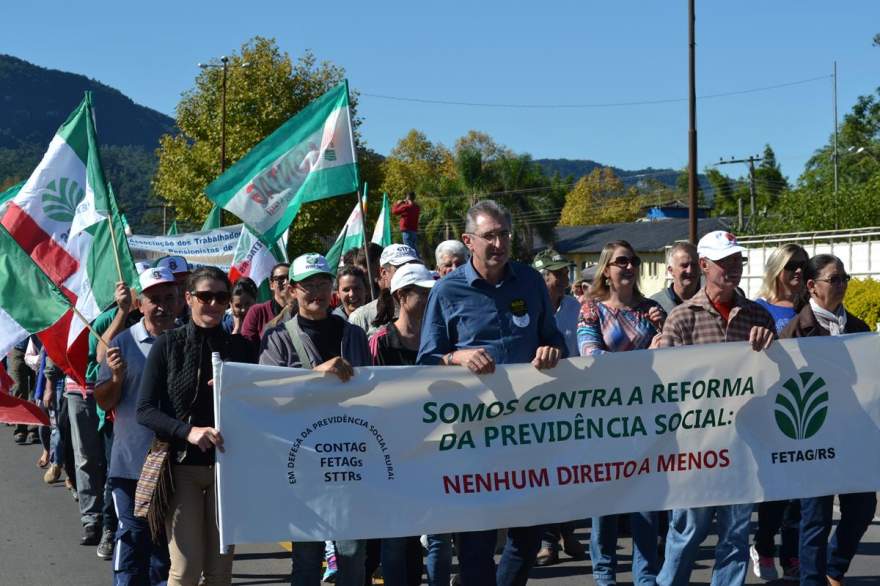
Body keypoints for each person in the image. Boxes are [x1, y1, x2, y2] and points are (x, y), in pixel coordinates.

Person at [418, 199, 566, 586]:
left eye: (504, 234)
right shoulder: (447, 292)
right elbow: (425, 364)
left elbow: (554, 340)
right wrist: (457, 357)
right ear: (469, 241)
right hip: (474, 441)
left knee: (528, 534)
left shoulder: (531, 282)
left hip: (527, 434)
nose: (499, 243)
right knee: (476, 544)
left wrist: (552, 351)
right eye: (489, 236)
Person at [656, 230, 775, 586]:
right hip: (696, 447)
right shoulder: (682, 317)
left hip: (743, 447)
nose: (732, 268)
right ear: (705, 265)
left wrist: (770, 348)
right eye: (724, 262)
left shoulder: (758, 316)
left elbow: (775, 380)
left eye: (736, 260)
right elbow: (667, 386)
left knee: (736, 537)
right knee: (687, 531)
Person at [137, 266, 255, 586]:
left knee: (219, 573)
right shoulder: (167, 345)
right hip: (181, 468)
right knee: (185, 570)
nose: (214, 304)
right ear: (188, 299)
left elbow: (263, 403)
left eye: (221, 297)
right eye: (205, 296)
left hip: (227, 471)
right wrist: (188, 431)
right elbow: (144, 410)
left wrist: (238, 391)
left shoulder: (242, 348)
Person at [259, 253, 370, 586]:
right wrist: (315, 375)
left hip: (350, 459)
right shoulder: (276, 338)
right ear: (293, 290)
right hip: (301, 463)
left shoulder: (354, 335)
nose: (317, 291)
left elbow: (372, 391)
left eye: (323, 282)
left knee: (352, 558)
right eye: (308, 285)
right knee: (306, 560)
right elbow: (268, 395)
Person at [780, 254, 876, 586]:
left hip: (853, 435)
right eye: (834, 279)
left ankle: (834, 569)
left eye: (844, 278)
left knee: (863, 507)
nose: (843, 284)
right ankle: (811, 580)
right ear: (811, 286)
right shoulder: (794, 332)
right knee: (815, 518)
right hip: (814, 434)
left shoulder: (859, 328)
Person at [578, 240, 665, 586]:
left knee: (647, 498)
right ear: (606, 270)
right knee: (606, 499)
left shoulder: (652, 309)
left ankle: (645, 574)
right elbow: (591, 357)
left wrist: (663, 332)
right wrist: (645, 358)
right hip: (604, 418)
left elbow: (672, 361)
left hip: (645, 417)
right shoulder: (590, 309)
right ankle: (605, 572)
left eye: (634, 260)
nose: (629, 266)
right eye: (621, 261)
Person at [96, 267, 177, 585]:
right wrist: (116, 378)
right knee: (131, 538)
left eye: (168, 298)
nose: (162, 306)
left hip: (175, 467)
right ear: (139, 304)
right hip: (131, 466)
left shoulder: (187, 339)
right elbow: (103, 401)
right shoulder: (122, 343)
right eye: (154, 299)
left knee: (163, 548)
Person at [369, 263, 435, 585]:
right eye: (421, 292)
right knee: (396, 540)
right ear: (400, 295)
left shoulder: (439, 340)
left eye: (430, 291)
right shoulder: (379, 341)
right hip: (391, 456)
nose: (428, 297)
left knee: (432, 538)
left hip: (432, 451)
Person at [749, 243, 809, 582]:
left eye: (803, 265)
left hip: (803, 405)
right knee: (775, 491)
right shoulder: (758, 309)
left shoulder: (810, 308)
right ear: (777, 270)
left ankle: (792, 555)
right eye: (791, 266)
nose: (798, 271)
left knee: (800, 493)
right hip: (770, 408)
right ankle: (764, 545)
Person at [531, 248, 586, 567]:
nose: (564, 278)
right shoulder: (529, 306)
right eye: (557, 273)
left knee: (569, 473)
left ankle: (568, 531)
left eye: (565, 272)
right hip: (538, 400)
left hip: (572, 398)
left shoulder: (574, 307)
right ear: (542, 277)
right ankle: (548, 540)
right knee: (545, 474)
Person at [348, 244, 421, 336]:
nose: (409, 274)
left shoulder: (429, 312)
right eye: (401, 268)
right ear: (383, 273)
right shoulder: (361, 318)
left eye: (414, 268)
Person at [241, 262, 291, 345]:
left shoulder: (304, 310)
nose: (286, 282)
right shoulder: (257, 311)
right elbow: (247, 345)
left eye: (290, 278)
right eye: (280, 278)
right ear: (271, 284)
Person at [650, 242, 700, 314]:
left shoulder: (710, 301)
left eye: (694, 265)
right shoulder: (655, 304)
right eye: (684, 265)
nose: (690, 271)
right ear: (671, 270)